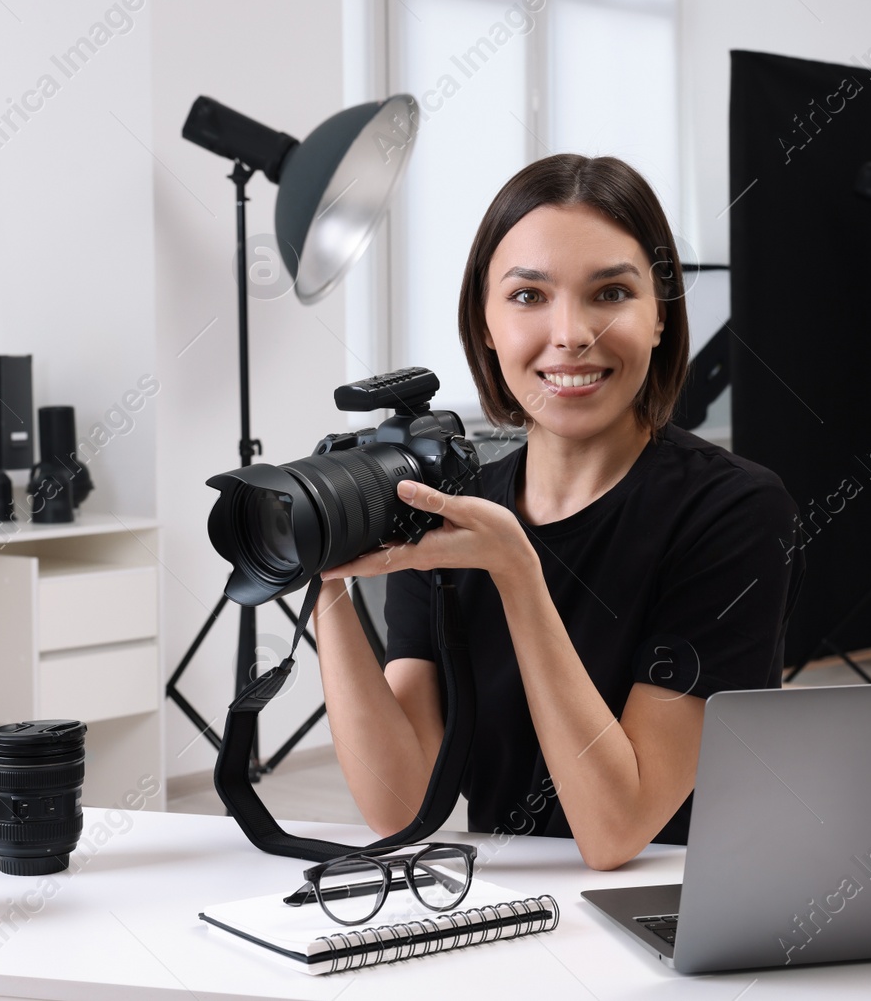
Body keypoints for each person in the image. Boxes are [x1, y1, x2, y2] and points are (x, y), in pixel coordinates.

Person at [312, 155, 803, 870]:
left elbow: (617, 830)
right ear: (484, 322)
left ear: (660, 315)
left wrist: (517, 571)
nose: (571, 333)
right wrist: (325, 583)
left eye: (610, 292)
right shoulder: (450, 515)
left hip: (677, 909)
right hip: (508, 909)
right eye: (528, 296)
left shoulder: (735, 513)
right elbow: (400, 804)